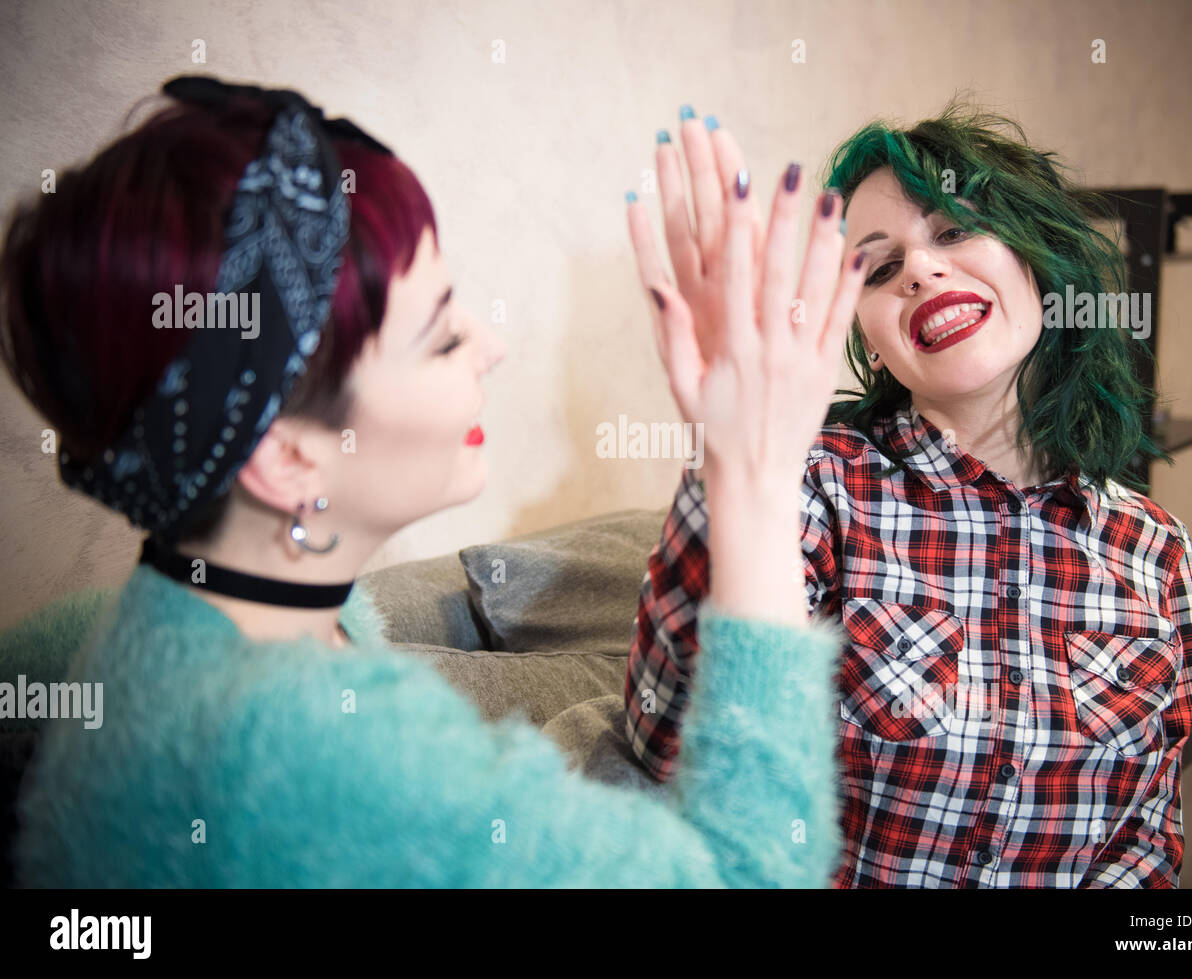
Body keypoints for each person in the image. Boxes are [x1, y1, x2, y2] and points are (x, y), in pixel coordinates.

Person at [0, 76, 869, 887]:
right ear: (287, 456)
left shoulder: (173, 618)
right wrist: (754, 470)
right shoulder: (312, 752)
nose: (490, 347)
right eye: (443, 338)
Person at [624, 99, 1192, 888]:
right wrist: (733, 465)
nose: (923, 270)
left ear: (1040, 253)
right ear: (867, 334)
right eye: (881, 266)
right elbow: (669, 745)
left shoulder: (1157, 550)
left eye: (956, 230)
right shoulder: (813, 484)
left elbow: (1147, 833)